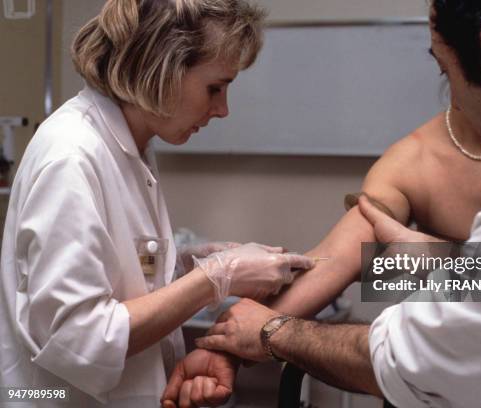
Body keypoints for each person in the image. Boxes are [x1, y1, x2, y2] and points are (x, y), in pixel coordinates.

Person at [164, 0, 481, 407]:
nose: (447, 90)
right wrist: (438, 260)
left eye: (444, 69)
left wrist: (267, 333)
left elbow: (410, 362)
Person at [0, 1, 315, 407]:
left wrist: (184, 262)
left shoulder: (131, 144)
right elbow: (80, 339)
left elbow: (111, 273)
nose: (222, 109)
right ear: (162, 68)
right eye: (214, 88)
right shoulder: (71, 155)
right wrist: (215, 279)